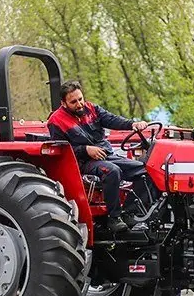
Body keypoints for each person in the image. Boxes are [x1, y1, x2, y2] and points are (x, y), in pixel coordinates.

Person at [47, 80, 151, 233]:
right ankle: (114, 218)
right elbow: (61, 150)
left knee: (148, 171)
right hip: (82, 162)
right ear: (64, 103)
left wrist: (132, 125)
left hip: (105, 155)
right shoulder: (56, 121)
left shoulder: (92, 109)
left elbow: (112, 119)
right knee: (112, 171)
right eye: (73, 102)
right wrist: (85, 150)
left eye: (80, 99)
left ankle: (130, 213)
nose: (79, 104)